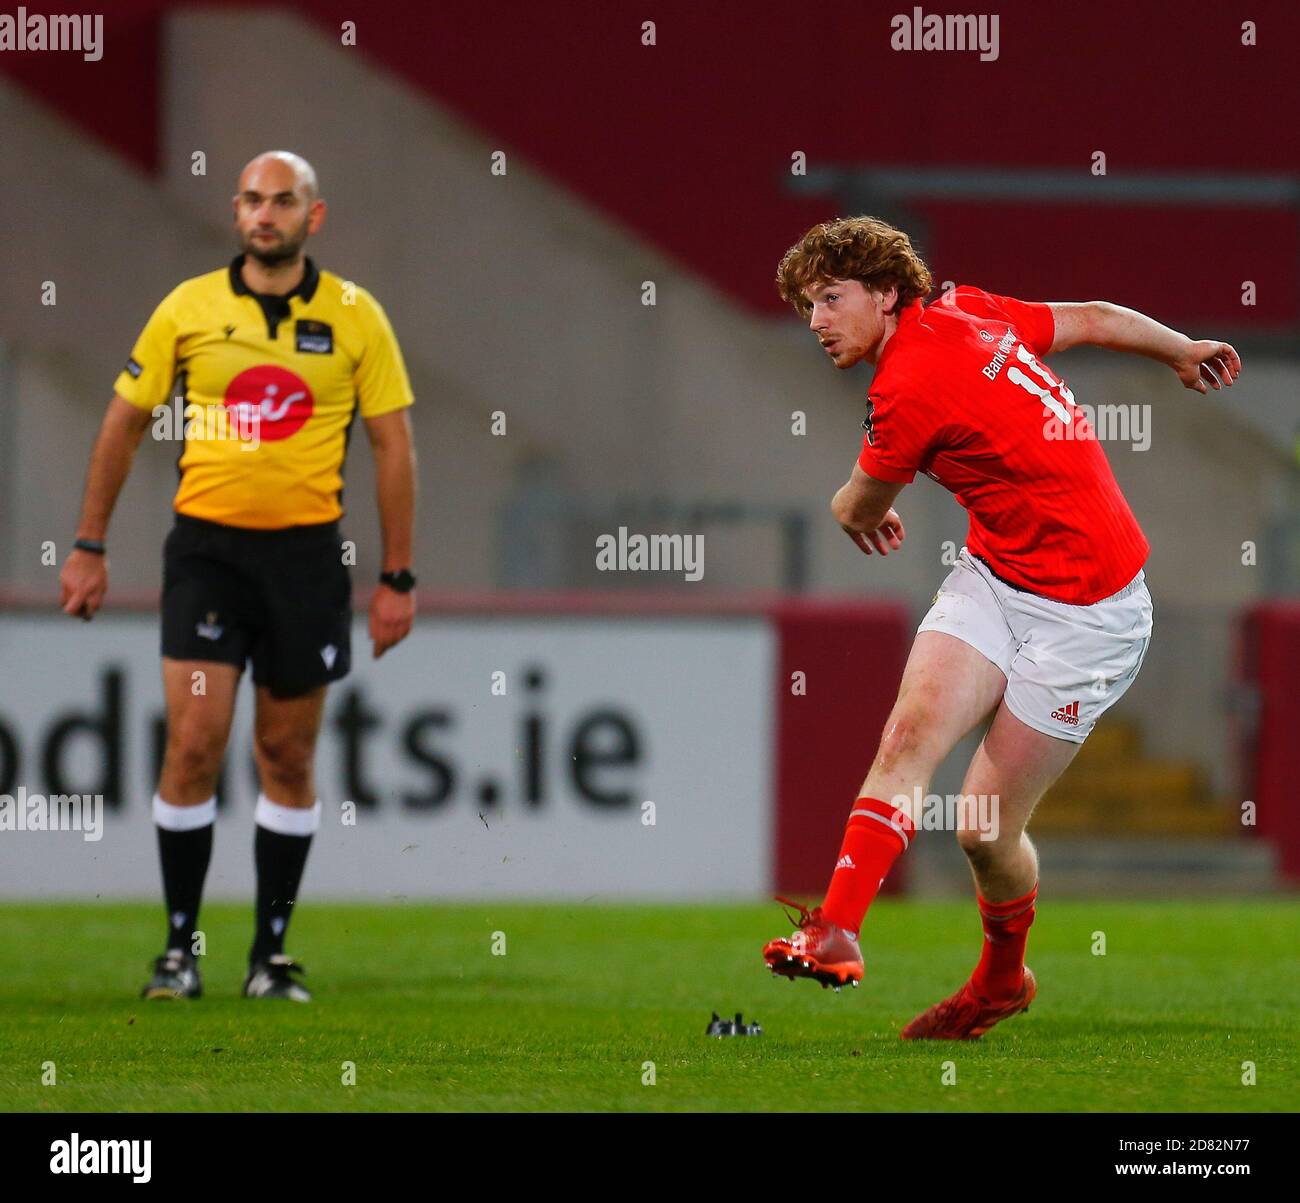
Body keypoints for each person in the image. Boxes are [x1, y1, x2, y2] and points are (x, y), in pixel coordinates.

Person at [762, 216, 1240, 1039]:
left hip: (1092, 618)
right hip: (996, 578)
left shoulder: (906, 385)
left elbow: (860, 503)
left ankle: (1000, 979)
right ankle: (836, 928)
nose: (817, 322)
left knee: (983, 829)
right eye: (808, 306)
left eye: (832, 299)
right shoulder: (969, 309)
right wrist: (1180, 348)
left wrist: (850, 511)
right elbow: (1089, 314)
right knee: (907, 737)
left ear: (885, 293)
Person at [59, 151, 419, 1002]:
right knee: (193, 742)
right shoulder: (189, 308)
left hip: (305, 559)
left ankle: (270, 954)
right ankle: (180, 949)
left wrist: (398, 574)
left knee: (286, 754)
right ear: (236, 211)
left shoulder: (356, 316)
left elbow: (393, 445)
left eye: (283, 200)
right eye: (253, 200)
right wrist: (88, 544)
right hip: (208, 555)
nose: (266, 214)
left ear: (313, 215)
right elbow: (123, 422)